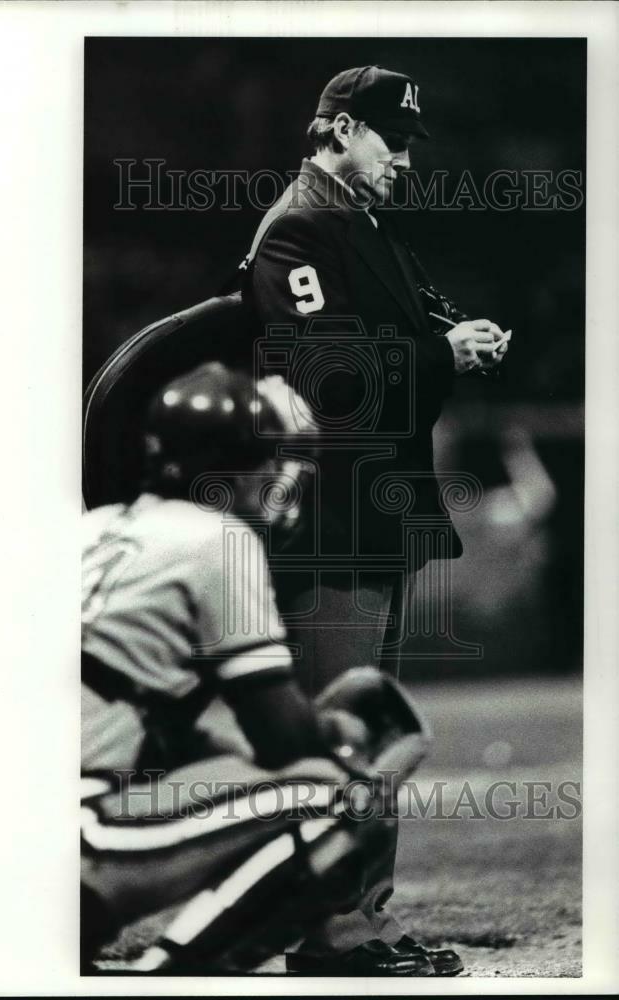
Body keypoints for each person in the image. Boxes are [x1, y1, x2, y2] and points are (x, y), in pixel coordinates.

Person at [241, 65, 512, 976]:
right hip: (330, 521)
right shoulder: (300, 228)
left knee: (372, 732)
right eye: (390, 137)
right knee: (341, 736)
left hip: (369, 517)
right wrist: (441, 350)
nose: (403, 156)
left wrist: (449, 340)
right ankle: (330, 940)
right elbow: (329, 378)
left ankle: (363, 923)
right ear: (339, 129)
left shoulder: (357, 224)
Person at [80, 361, 432, 973]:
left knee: (211, 764)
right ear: (235, 468)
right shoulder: (217, 539)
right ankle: (171, 978)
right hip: (76, 834)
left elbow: (129, 716)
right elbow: (284, 741)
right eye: (271, 458)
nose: (279, 474)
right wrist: (335, 732)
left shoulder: (91, 530)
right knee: (335, 802)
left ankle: (78, 945)